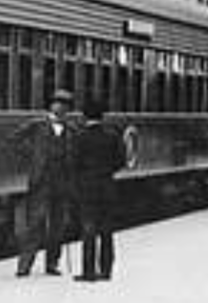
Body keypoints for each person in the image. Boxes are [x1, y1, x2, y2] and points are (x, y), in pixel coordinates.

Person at [10, 87, 76, 277]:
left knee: (58, 226)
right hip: (42, 181)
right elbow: (14, 139)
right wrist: (32, 156)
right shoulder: (37, 124)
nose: (60, 108)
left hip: (62, 182)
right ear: (51, 105)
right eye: (57, 103)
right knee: (35, 224)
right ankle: (24, 266)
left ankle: (52, 264)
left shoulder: (71, 130)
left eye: (64, 105)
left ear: (68, 110)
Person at [71, 97, 124, 282]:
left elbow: (73, 163)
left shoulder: (79, 136)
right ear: (103, 116)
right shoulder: (112, 135)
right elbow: (121, 161)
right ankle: (106, 270)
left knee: (88, 229)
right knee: (107, 230)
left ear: (85, 116)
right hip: (107, 187)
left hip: (86, 188)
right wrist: (107, 172)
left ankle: (89, 272)